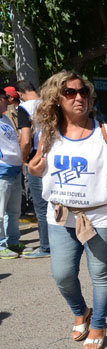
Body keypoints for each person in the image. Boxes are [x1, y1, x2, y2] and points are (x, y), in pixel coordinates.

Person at [27, 71, 107, 349]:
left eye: (83, 92)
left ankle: (98, 323)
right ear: (57, 99)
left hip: (100, 215)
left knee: (100, 273)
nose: (78, 97)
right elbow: (37, 166)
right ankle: (80, 311)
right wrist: (33, 167)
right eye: (70, 93)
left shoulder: (105, 133)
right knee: (62, 274)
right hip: (61, 215)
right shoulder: (48, 133)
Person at [16, 80, 51, 259]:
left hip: (37, 161)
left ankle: (46, 246)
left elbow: (26, 139)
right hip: (55, 157)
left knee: (41, 206)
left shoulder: (24, 108)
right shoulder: (49, 103)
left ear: (20, 94)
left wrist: (24, 159)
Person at [0, 88, 23, 260]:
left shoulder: (6, 118)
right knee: (0, 212)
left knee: (14, 211)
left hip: (15, 169)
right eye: (3, 98)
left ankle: (13, 241)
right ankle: (1, 245)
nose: (6, 101)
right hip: (2, 171)